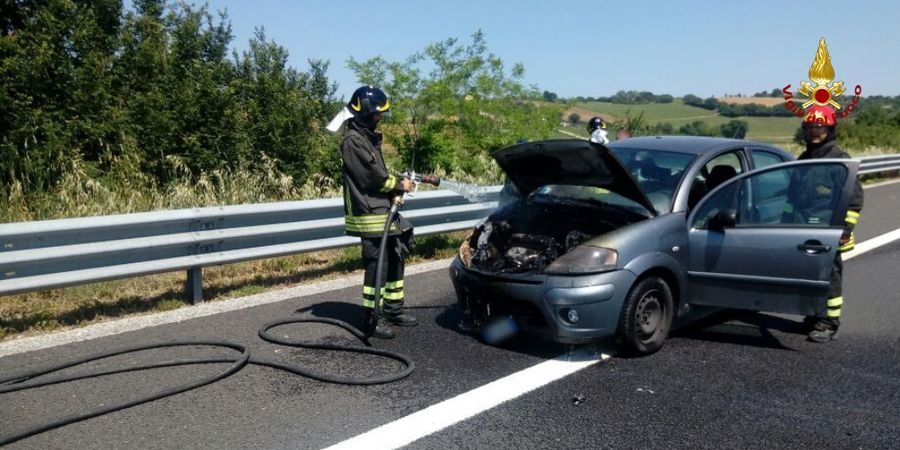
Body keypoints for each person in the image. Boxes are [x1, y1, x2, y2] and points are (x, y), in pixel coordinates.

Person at [327, 86, 417, 339]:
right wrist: (399, 185)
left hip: (382, 209)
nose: (381, 117)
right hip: (369, 213)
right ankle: (371, 319)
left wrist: (394, 191)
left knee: (396, 257)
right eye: (378, 113)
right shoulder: (352, 141)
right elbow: (370, 178)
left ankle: (393, 309)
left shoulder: (366, 138)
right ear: (365, 112)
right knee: (378, 265)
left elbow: (379, 174)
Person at [789, 105, 864, 342]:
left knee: (830, 276)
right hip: (803, 229)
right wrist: (786, 223)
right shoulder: (803, 159)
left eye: (819, 127)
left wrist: (845, 230)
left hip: (828, 231)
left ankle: (830, 322)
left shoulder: (839, 161)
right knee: (809, 274)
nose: (814, 132)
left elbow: (855, 200)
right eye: (810, 127)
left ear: (830, 130)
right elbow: (792, 198)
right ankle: (815, 314)